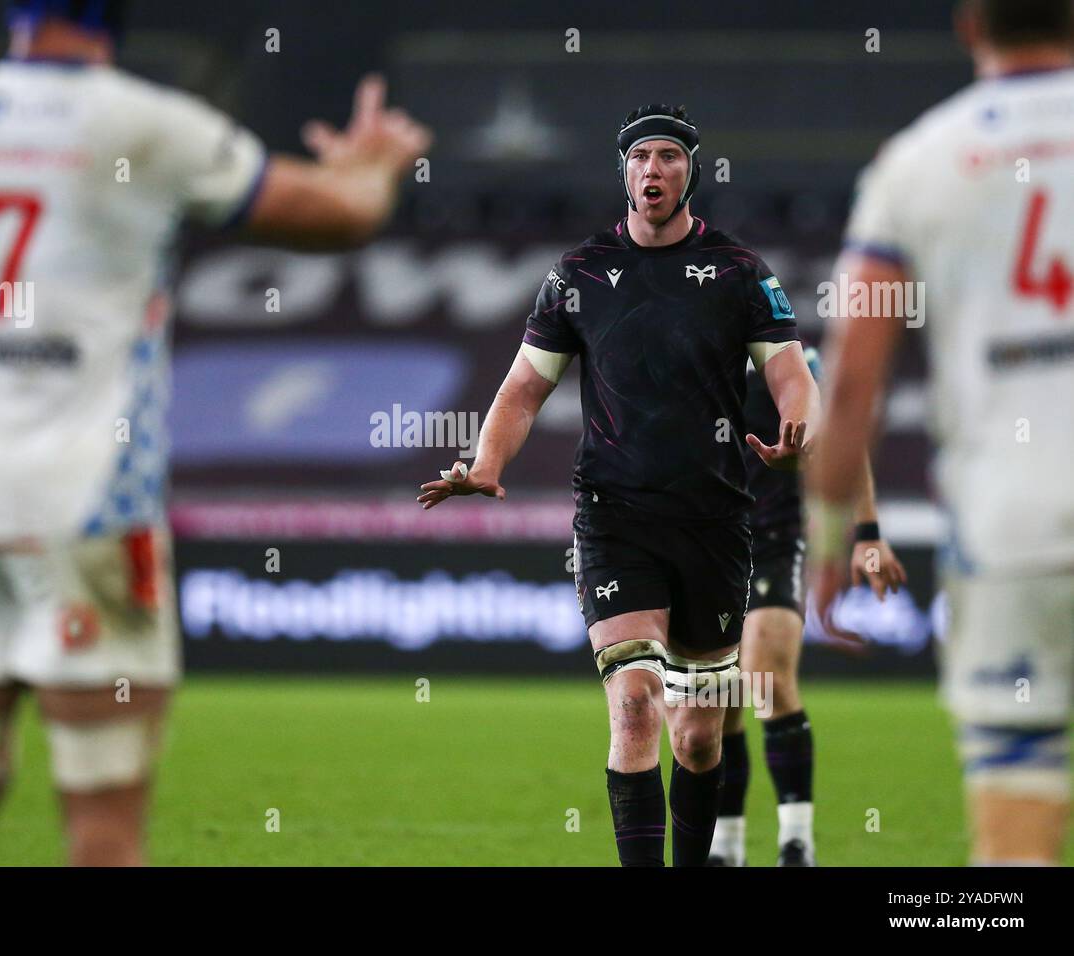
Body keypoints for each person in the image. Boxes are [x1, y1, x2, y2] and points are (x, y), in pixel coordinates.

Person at [0, 0, 431, 866]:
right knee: (102, 831)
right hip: (90, 513)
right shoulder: (145, 125)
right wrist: (376, 163)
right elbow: (338, 213)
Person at [419, 104, 820, 866]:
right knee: (635, 706)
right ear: (624, 172)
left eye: (668, 156)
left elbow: (792, 374)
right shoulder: (575, 277)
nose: (653, 169)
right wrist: (487, 464)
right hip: (614, 518)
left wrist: (799, 428)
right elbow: (522, 390)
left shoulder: (741, 273)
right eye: (640, 158)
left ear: (690, 170)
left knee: (699, 735)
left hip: (714, 521)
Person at [809, 0, 1074, 865]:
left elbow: (852, 381)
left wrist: (825, 537)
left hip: (1012, 526)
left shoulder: (916, 161)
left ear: (969, 26)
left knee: (1015, 833)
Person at [709, 346, 906, 866]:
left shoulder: (793, 361)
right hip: (704, 543)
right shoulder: (681, 354)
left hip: (776, 536)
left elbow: (841, 436)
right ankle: (724, 848)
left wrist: (865, 534)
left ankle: (796, 841)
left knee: (766, 680)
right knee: (716, 698)